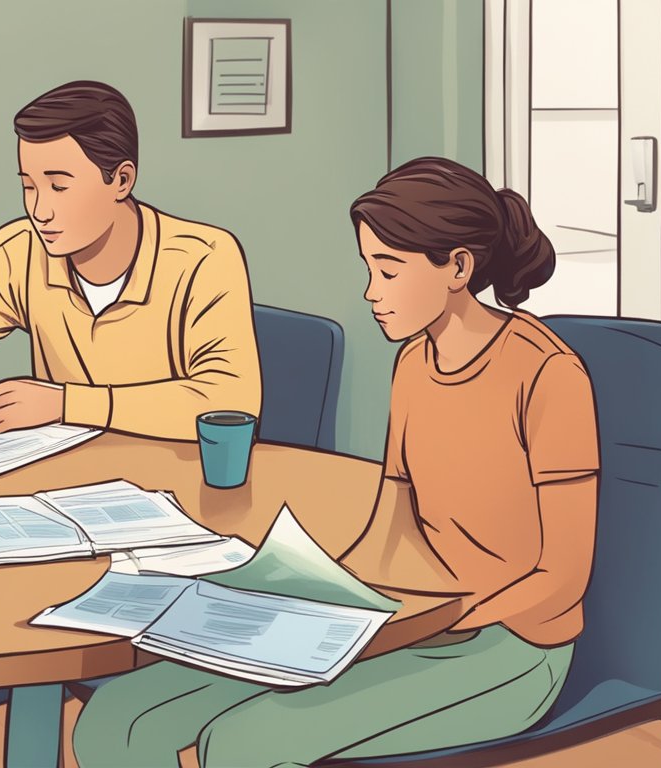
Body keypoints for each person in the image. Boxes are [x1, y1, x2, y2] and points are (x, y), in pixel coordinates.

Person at [72, 157, 600, 767]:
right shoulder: (413, 365)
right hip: (410, 617)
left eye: (389, 270)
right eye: (368, 268)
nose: (371, 293)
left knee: (243, 745)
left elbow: (561, 579)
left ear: (458, 267)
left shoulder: (548, 376)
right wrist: (321, 595)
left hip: (511, 647)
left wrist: (432, 619)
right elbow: (395, 522)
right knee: (118, 721)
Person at [0, 80, 263, 767]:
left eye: (59, 185)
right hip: (55, 529)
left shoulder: (203, 258)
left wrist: (67, 400)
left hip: (175, 540)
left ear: (121, 179)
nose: (38, 209)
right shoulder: (21, 253)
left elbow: (229, 403)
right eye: (27, 184)